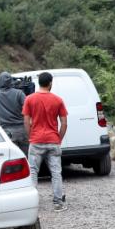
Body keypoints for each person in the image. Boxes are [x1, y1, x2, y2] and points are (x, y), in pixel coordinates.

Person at [23, 72, 69, 211]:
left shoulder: (29, 99)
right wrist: (58, 139)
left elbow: (26, 121)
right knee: (56, 173)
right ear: (50, 83)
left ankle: (32, 204)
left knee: (33, 171)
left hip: (36, 140)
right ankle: (58, 203)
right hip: (53, 141)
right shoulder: (58, 100)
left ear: (39, 83)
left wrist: (31, 136)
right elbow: (64, 123)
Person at [0, 72, 29, 155]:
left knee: (14, 158)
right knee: (27, 158)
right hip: (22, 130)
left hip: (6, 133)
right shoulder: (19, 93)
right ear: (10, 81)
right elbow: (28, 111)